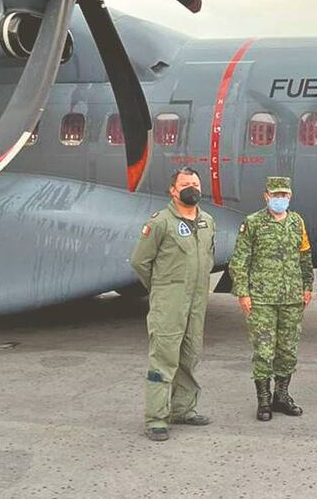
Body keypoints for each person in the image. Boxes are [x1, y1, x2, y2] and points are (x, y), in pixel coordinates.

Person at [130, 168, 216, 442]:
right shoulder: (161, 223)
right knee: (164, 359)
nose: (192, 188)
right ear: (173, 190)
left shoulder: (207, 221)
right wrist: (162, 289)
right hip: (170, 302)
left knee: (190, 356)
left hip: (197, 301)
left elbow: (208, 257)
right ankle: (156, 418)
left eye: (195, 184)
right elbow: (140, 262)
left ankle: (184, 409)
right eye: (185, 184)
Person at [229, 176, 314, 422]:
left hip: (291, 298)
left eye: (284, 195)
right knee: (264, 351)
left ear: (290, 196)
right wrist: (243, 293)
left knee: (287, 350)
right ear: (266, 196)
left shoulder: (297, 222)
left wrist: (307, 286)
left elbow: (305, 256)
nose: (280, 199)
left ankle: (281, 396)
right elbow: (240, 261)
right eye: (275, 195)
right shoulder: (253, 223)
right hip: (262, 298)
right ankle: (263, 401)